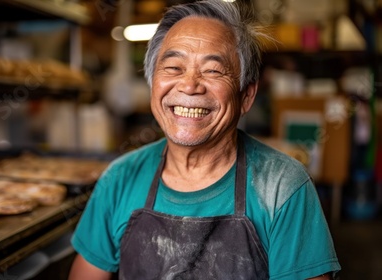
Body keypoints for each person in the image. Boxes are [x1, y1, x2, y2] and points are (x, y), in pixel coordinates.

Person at [69, 1, 341, 279]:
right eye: (174, 67)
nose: (189, 85)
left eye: (213, 71)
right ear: (153, 84)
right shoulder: (120, 178)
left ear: (246, 95)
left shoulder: (281, 186)